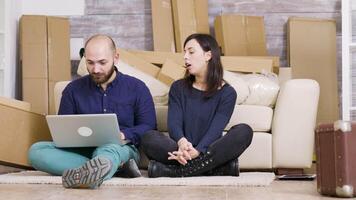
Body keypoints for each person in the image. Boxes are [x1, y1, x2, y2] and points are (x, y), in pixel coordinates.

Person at [28, 34, 156, 189]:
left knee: (108, 150)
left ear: (116, 58)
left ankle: (100, 167)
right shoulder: (72, 90)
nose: (96, 69)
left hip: (119, 148)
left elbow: (149, 126)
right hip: (81, 151)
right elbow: (64, 129)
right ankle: (111, 169)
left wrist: (124, 135)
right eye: (90, 63)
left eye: (102, 62)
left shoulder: (137, 88)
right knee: (37, 151)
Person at [141, 33, 253, 177]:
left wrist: (198, 150)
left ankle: (175, 171)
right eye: (185, 52)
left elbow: (216, 129)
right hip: (181, 149)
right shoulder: (178, 87)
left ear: (208, 55)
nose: (185, 57)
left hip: (208, 150)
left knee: (244, 131)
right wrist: (182, 143)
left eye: (191, 52)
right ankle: (214, 168)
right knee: (148, 137)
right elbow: (174, 124)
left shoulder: (228, 93)